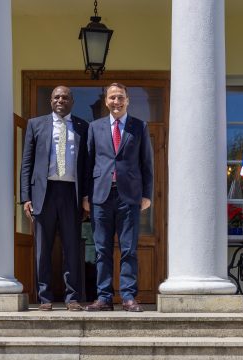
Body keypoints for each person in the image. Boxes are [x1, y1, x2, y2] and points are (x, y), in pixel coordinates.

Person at [84, 83, 153, 312]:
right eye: (112, 97)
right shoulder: (95, 127)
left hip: (129, 197)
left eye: (120, 97)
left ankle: (128, 296)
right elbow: (88, 163)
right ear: (106, 101)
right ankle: (103, 297)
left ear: (127, 100)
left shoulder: (139, 127)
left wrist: (147, 195)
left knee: (128, 249)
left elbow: (147, 164)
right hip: (100, 195)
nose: (116, 101)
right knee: (102, 249)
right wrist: (86, 194)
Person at [20, 86, 88, 311]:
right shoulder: (35, 125)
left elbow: (87, 167)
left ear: (72, 101)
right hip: (44, 193)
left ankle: (72, 298)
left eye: (65, 97)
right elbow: (26, 164)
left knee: (72, 248)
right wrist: (25, 197)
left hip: (71, 194)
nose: (61, 100)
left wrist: (86, 196)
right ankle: (45, 298)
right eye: (57, 97)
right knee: (43, 249)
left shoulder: (82, 127)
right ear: (51, 101)